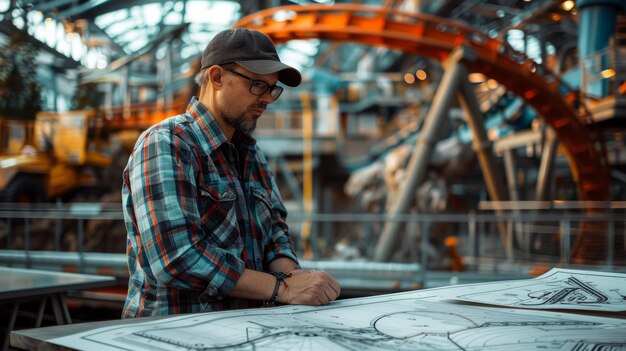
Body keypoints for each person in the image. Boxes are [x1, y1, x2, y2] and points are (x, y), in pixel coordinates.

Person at [121, 28, 341, 317]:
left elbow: (275, 232)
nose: (267, 99)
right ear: (217, 77)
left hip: (241, 330)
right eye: (257, 85)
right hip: (170, 333)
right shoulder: (167, 143)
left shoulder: (250, 152)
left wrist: (294, 278)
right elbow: (175, 258)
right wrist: (283, 290)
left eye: (272, 88)